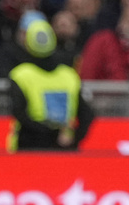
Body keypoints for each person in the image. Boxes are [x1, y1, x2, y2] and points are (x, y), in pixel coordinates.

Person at [7, 12, 95, 151]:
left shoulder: (20, 75)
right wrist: (74, 138)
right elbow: (87, 114)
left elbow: (19, 114)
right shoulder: (69, 75)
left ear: (28, 42)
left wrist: (48, 134)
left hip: (30, 148)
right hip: (63, 149)